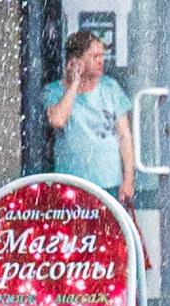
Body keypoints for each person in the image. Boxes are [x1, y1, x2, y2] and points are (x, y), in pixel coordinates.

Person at [43, 30, 135, 208]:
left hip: (108, 182)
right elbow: (57, 120)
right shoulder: (54, 91)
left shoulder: (110, 88)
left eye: (102, 56)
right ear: (75, 60)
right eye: (94, 56)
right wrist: (75, 83)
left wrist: (128, 179)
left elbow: (124, 136)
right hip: (72, 182)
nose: (101, 61)